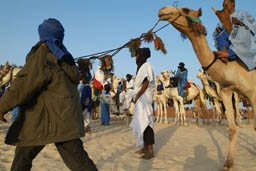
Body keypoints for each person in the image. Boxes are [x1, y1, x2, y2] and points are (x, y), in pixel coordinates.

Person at [0, 18, 97, 171]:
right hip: (55, 119)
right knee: (23, 157)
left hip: (55, 120)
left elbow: (22, 85)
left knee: (79, 163)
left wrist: (1, 107)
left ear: (42, 35)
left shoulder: (44, 54)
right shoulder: (63, 56)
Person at [213, 0, 256, 70]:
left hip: (241, 34)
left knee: (239, 36)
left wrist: (239, 22)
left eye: (226, 5)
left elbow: (253, 26)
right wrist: (218, 30)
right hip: (228, 37)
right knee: (220, 36)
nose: (225, 7)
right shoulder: (222, 20)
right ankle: (223, 51)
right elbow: (215, 35)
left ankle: (228, 54)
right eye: (223, 6)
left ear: (233, 4)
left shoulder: (243, 13)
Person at [130, 47, 155, 160]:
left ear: (141, 55)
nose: (136, 57)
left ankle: (150, 150)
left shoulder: (147, 65)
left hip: (144, 97)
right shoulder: (141, 67)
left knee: (147, 123)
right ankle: (145, 147)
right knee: (142, 122)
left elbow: (146, 83)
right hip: (140, 97)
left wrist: (138, 95)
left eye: (137, 55)